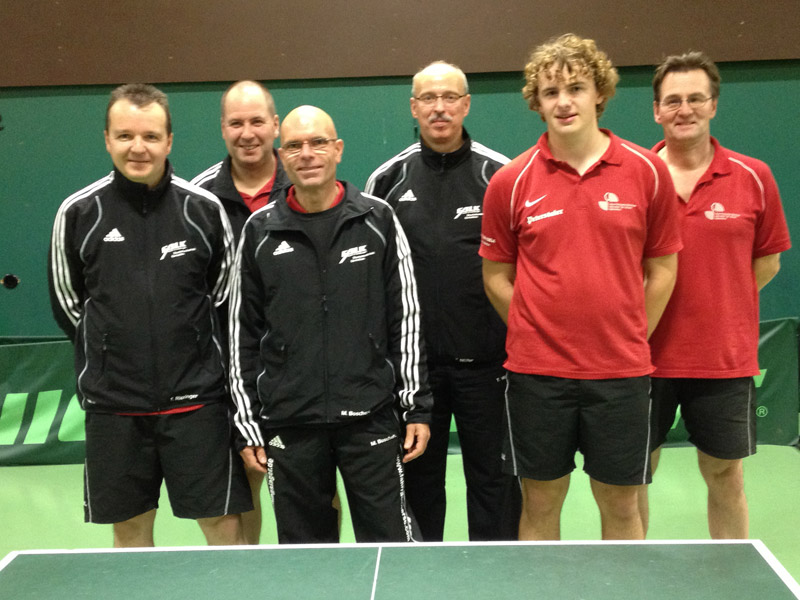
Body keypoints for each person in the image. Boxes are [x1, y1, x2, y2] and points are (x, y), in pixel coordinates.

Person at [480, 34, 682, 540]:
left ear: (600, 94)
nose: (564, 102)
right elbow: (496, 277)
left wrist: (630, 332)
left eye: (576, 88)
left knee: (621, 504)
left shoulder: (648, 172)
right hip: (536, 376)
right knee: (540, 502)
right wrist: (535, 330)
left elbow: (663, 269)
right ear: (537, 102)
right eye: (551, 92)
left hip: (620, 374)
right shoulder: (510, 181)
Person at [48, 83, 251, 547]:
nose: (138, 147)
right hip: (115, 408)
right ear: (107, 140)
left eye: (150, 136)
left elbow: (224, 299)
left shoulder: (203, 210)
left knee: (224, 526)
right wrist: (110, 354)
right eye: (125, 135)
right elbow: (69, 305)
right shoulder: (78, 213)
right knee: (130, 532)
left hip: (196, 405)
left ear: (169, 141)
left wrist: (192, 352)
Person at [229, 105, 432, 543]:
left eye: (318, 142)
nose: (307, 154)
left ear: (337, 149)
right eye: (295, 146)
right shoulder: (259, 231)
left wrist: (415, 405)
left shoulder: (377, 219)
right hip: (289, 422)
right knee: (305, 559)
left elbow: (406, 318)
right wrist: (247, 422)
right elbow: (242, 334)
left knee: (394, 548)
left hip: (369, 417)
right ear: (282, 156)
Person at [365, 61, 519, 541]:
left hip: (489, 369)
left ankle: (493, 574)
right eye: (428, 98)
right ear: (413, 108)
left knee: (495, 485)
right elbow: (374, 280)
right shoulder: (386, 181)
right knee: (419, 487)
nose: (439, 108)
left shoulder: (500, 176)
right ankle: (421, 574)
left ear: (466, 104)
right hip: (417, 378)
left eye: (449, 97)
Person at [641, 52, 791, 538]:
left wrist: (722, 304)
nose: (684, 109)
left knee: (725, 475)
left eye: (695, 98)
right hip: (642, 358)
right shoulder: (637, 178)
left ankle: (732, 573)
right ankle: (627, 571)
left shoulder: (754, 176)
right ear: (657, 111)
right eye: (673, 101)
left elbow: (767, 263)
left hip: (723, 360)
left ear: (713, 105)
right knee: (631, 478)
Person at [191, 80, 291, 544]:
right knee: (247, 482)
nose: (247, 133)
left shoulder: (307, 181)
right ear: (222, 129)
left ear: (275, 125)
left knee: (309, 484)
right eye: (236, 123)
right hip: (227, 375)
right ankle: (250, 574)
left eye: (256, 121)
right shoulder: (197, 199)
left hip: (299, 371)